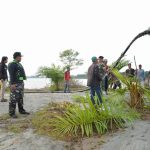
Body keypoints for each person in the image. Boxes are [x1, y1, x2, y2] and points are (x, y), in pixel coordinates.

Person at [8, 52, 30, 118]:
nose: (21, 58)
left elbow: (20, 74)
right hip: (15, 84)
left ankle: (21, 110)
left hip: (20, 83)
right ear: (17, 57)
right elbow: (11, 74)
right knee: (13, 99)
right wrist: (12, 84)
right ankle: (12, 113)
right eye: (20, 57)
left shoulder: (19, 64)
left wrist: (22, 80)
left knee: (20, 98)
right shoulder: (12, 64)